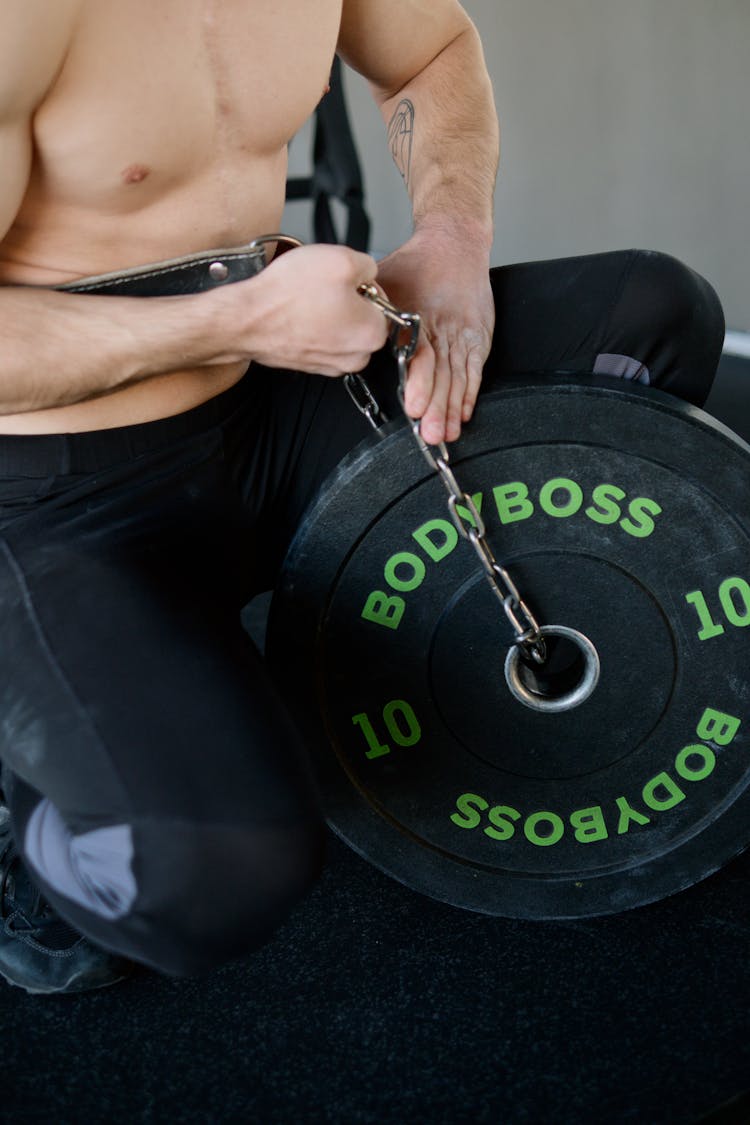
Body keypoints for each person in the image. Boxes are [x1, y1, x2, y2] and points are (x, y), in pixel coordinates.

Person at [0, 1, 724, 995]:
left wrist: (453, 240)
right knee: (202, 875)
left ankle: (323, 653)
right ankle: (30, 801)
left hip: (269, 411)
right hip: (48, 496)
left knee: (646, 319)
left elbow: (431, 49)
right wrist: (236, 320)